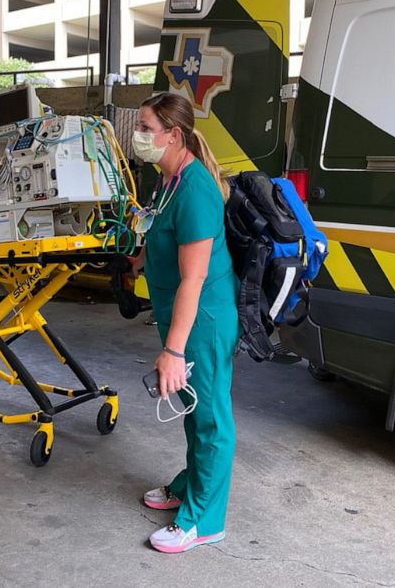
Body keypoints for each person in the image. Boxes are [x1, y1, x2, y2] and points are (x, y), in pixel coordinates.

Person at [129, 93, 239, 554]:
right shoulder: (167, 180)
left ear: (173, 135)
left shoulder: (195, 190)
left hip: (203, 321)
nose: (138, 137)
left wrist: (173, 351)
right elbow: (158, 231)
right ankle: (188, 485)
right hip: (182, 315)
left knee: (211, 415)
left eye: (145, 129)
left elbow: (193, 280)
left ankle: (203, 520)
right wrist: (137, 259)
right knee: (194, 409)